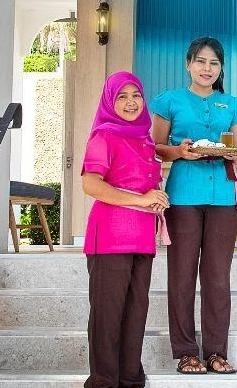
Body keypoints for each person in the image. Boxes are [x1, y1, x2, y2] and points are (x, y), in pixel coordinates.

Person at [150, 37, 237, 375]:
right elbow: (155, 146)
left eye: (214, 64)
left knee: (218, 276)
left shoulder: (232, 104)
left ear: (220, 69)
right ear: (188, 64)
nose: (208, 69)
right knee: (181, 274)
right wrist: (179, 151)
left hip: (223, 194)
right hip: (183, 196)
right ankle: (186, 352)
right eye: (201, 62)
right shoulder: (169, 101)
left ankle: (216, 352)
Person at [79, 71, 171, 388]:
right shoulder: (103, 136)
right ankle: (104, 381)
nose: (131, 102)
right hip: (110, 238)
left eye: (136, 95)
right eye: (122, 96)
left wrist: (154, 200)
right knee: (107, 316)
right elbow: (91, 185)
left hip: (142, 238)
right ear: (109, 101)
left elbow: (143, 184)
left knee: (135, 314)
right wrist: (142, 199)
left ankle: (131, 379)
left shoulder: (144, 138)